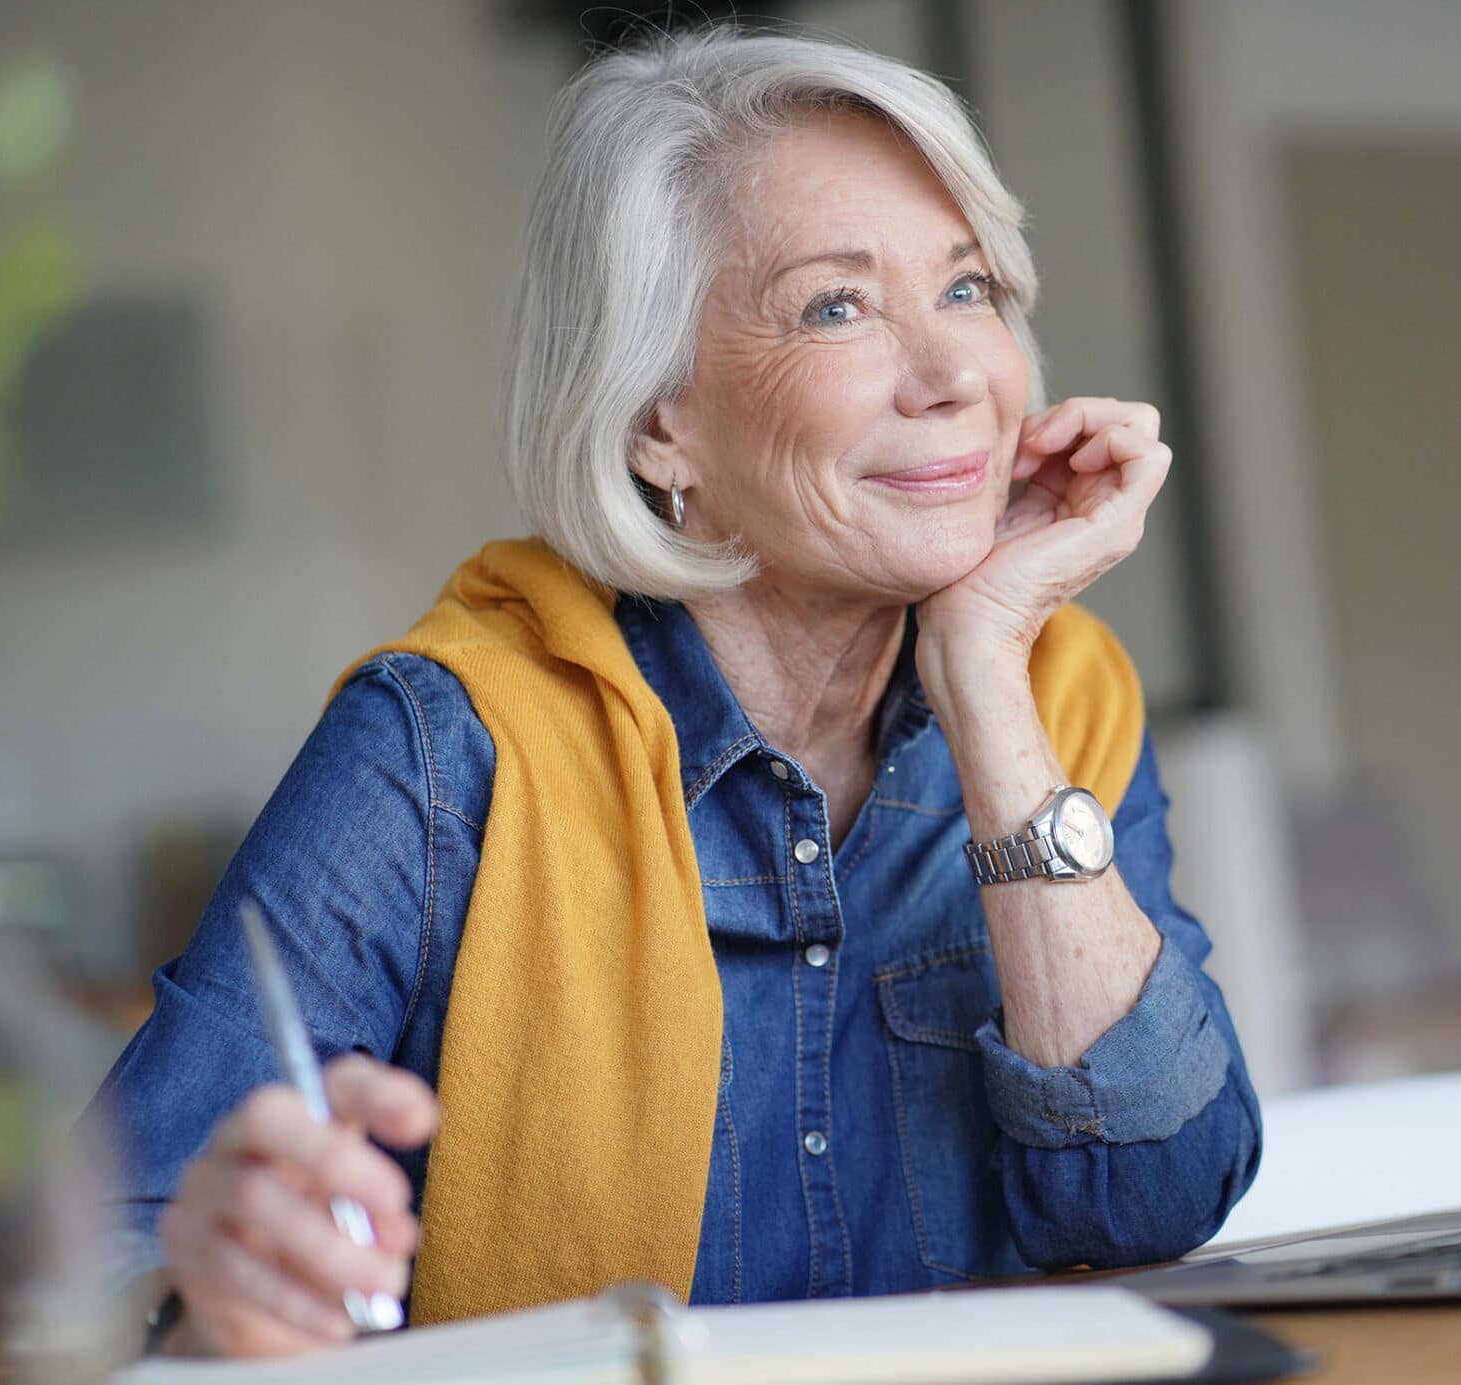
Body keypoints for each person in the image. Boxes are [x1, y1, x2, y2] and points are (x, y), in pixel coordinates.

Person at [88, 28, 1262, 1358]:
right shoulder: (440, 751)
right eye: (839, 304)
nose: (951, 379)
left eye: (970, 287)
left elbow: (1161, 1194)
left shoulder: (1062, 697)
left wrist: (988, 675)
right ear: (660, 419)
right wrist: (213, 1276)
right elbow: (112, 1252)